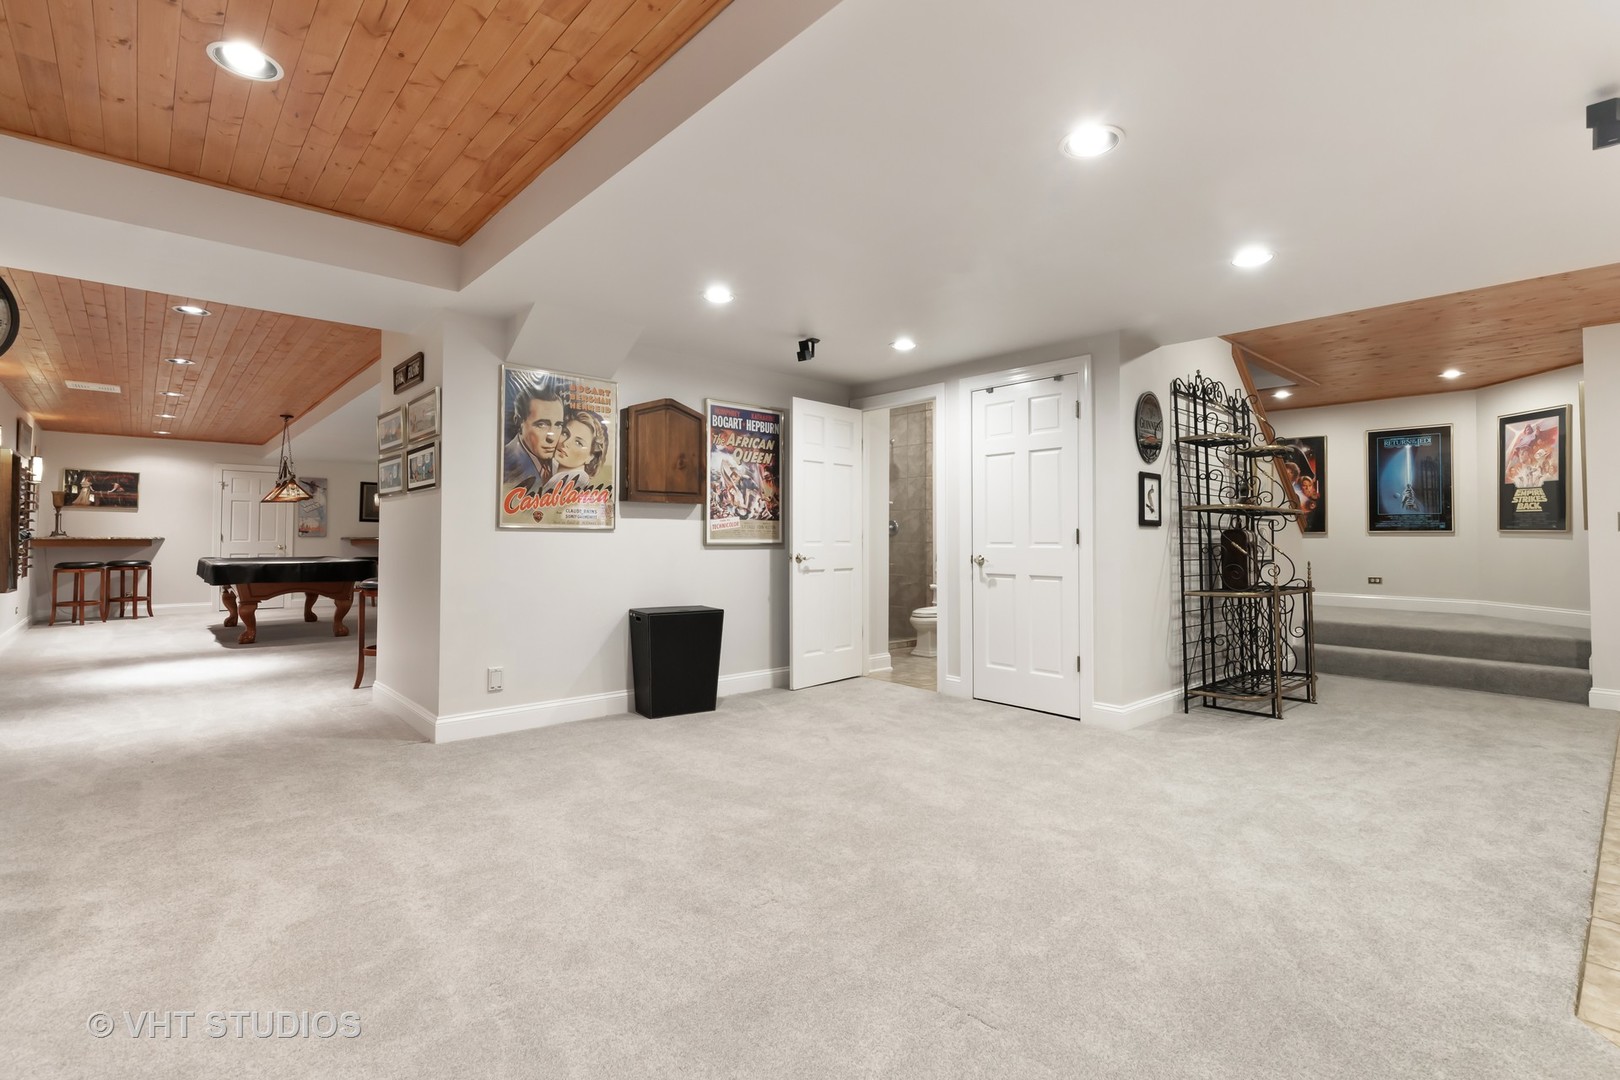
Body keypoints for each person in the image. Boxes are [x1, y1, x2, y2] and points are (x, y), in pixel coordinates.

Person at [502, 381, 566, 493]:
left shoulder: (561, 467)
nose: (552, 437)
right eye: (541, 425)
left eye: (558, 425)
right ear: (518, 422)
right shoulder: (504, 465)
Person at [542, 410, 609, 496]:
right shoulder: (554, 473)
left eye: (578, 443)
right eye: (565, 433)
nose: (565, 443)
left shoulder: (574, 481)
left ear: (591, 456)